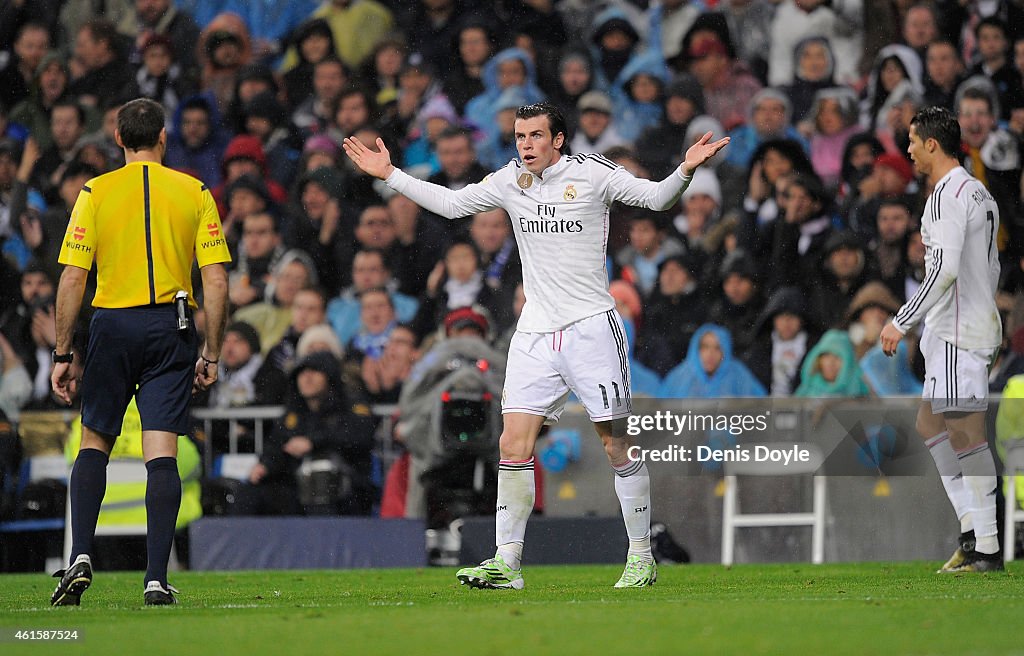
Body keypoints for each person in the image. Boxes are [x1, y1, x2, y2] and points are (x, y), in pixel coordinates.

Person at [343, 101, 728, 589]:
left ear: (558, 139)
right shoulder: (509, 180)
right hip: (535, 332)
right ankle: (507, 563)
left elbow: (656, 200)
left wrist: (686, 169)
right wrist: (391, 174)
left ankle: (640, 556)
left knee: (614, 445)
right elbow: (453, 204)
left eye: (535, 136)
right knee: (511, 442)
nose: (525, 145)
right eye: (520, 137)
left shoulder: (595, 174)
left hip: (591, 327)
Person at [49, 98, 230, 606]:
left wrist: (63, 353)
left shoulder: (95, 192)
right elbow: (215, 279)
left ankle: (80, 554)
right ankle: (154, 578)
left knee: (94, 442)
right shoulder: (194, 191)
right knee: (162, 452)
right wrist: (211, 352)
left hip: (112, 323)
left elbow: (72, 277)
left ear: (118, 138)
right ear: (164, 138)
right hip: (170, 325)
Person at [879, 106, 1004, 573]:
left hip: (957, 328)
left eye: (912, 140)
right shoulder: (978, 193)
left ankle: (987, 547)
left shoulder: (947, 194)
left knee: (965, 433)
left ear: (932, 144)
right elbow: (985, 265)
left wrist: (902, 319)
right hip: (966, 324)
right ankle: (973, 529)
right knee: (931, 425)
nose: (907, 149)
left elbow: (944, 269)